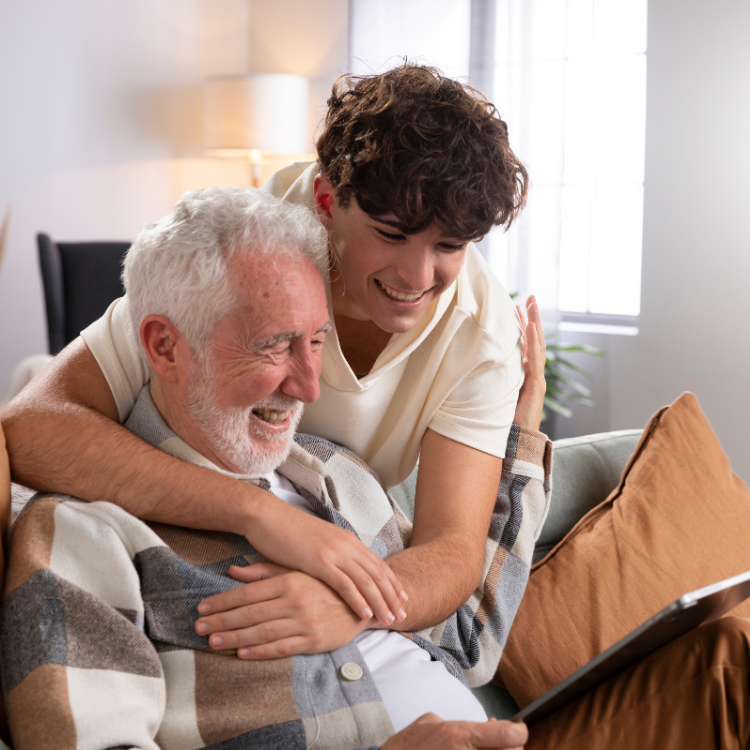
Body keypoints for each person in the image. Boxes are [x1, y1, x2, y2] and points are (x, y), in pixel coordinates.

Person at [1, 64, 547, 653]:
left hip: (341, 537)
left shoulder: (484, 337)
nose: (417, 278)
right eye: (390, 233)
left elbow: (453, 549)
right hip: (190, 514)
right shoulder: (244, 246)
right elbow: (32, 425)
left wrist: (356, 606)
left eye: (449, 247)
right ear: (325, 200)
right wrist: (260, 514)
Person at [1, 186, 545, 750]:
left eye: (317, 341)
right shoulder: (82, 536)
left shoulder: (338, 474)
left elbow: (463, 640)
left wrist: (521, 438)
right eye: (274, 346)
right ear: (164, 348)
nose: (310, 385)